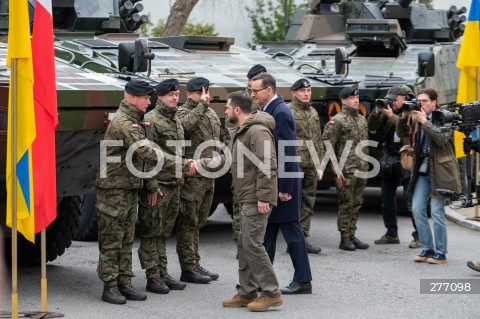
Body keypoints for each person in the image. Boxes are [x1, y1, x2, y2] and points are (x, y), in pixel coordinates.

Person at [95, 79, 190, 304]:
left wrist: (150, 184)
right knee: (112, 240)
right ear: (132, 97)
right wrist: (184, 164)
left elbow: (141, 159)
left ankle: (124, 282)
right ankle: (110, 285)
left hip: (128, 188)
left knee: (127, 238)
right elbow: (147, 152)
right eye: (147, 98)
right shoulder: (124, 123)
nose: (150, 102)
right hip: (113, 191)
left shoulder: (134, 121)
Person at [198, 91, 283, 312]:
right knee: (244, 245)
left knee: (253, 245)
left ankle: (271, 292)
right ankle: (247, 292)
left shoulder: (257, 131)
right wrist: (198, 165)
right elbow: (227, 159)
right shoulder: (241, 132)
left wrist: (264, 196)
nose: (224, 111)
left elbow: (268, 164)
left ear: (237, 110)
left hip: (256, 197)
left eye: (226, 107)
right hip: (246, 196)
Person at [251, 72, 313, 295]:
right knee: (269, 233)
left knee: (292, 233)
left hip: (283, 185)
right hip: (277, 183)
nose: (253, 95)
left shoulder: (280, 112)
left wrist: (285, 188)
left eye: (256, 90)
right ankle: (260, 280)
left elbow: (287, 151)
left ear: (269, 90)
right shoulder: (271, 109)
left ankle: (303, 280)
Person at [397, 88, 461, 264]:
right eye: (419, 101)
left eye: (425, 101)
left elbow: (440, 140)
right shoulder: (417, 116)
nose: (421, 104)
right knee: (417, 209)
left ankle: (441, 252)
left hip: (441, 171)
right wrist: (404, 115)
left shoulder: (445, 117)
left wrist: (425, 122)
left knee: (437, 212)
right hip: (423, 169)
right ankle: (427, 248)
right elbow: (402, 133)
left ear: (434, 102)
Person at [137, 79, 187, 294]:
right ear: (159, 97)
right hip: (158, 186)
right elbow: (145, 157)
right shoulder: (150, 120)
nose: (174, 97)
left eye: (176, 94)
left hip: (173, 184)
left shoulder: (176, 120)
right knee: (151, 232)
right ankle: (152, 275)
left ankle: (162, 271)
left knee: (163, 232)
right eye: (170, 94)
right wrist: (151, 185)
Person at [177, 77, 221, 283]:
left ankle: (195, 262)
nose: (203, 95)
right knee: (188, 222)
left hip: (209, 173)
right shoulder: (183, 112)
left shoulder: (211, 112)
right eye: (198, 92)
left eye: (205, 91)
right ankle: (187, 267)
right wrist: (202, 105)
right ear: (189, 94)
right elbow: (183, 127)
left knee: (199, 222)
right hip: (192, 175)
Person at [367, 85, 420, 249]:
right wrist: (378, 111)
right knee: (387, 200)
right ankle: (391, 234)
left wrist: (391, 115)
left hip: (407, 158)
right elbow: (372, 126)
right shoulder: (390, 109)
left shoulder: (413, 109)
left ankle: (419, 236)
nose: (393, 103)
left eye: (395, 99)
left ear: (404, 98)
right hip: (390, 157)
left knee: (411, 201)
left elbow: (406, 131)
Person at [322, 87, 370, 251]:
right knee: (346, 204)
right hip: (346, 169)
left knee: (357, 203)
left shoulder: (362, 120)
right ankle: (344, 238)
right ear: (343, 100)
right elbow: (328, 147)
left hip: (361, 168)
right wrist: (336, 170)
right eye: (351, 98)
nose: (355, 100)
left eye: (356, 98)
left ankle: (352, 234)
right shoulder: (337, 121)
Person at [228, 64, 268, 243]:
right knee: (241, 205)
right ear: (249, 80)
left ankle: (251, 242)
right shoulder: (240, 100)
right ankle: (241, 242)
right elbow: (232, 128)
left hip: (260, 157)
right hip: (243, 161)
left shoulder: (263, 101)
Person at [288, 79, 324, 254]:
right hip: (294, 164)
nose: (306, 93)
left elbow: (317, 141)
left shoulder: (313, 112)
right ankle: (292, 240)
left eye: (308, 90)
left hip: (310, 165)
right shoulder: (288, 111)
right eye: (302, 91)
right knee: (290, 203)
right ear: (294, 92)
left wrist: (320, 164)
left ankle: (302, 238)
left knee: (308, 202)